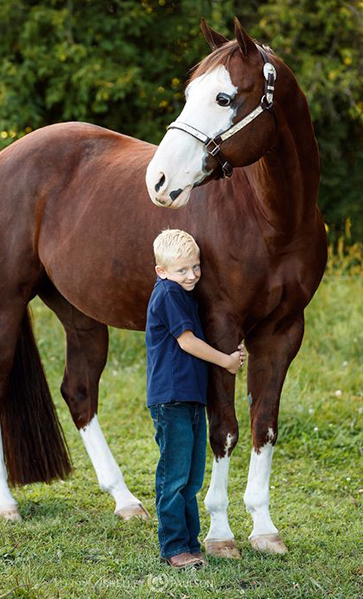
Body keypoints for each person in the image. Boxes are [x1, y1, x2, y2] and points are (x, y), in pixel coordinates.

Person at [146, 229, 246, 569]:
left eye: (195, 267)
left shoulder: (183, 294)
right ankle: (174, 547)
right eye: (182, 270)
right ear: (162, 271)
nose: (191, 275)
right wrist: (226, 361)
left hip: (189, 400)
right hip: (170, 399)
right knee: (174, 477)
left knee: (191, 478)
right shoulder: (168, 294)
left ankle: (189, 541)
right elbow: (187, 342)